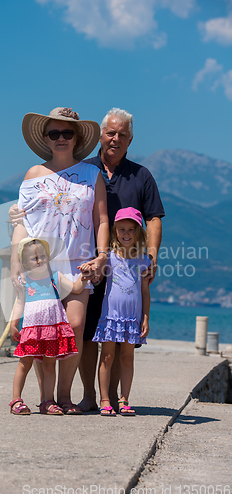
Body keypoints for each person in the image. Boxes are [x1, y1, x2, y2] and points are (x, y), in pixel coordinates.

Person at [10, 107, 109, 415]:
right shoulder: (32, 175)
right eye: (55, 133)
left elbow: (102, 220)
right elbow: (21, 224)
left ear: (77, 138)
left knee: (76, 325)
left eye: (67, 133)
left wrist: (102, 256)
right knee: (43, 331)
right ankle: (46, 398)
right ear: (46, 138)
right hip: (39, 266)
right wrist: (16, 265)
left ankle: (65, 396)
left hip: (79, 263)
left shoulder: (93, 175)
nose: (61, 138)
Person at [78, 108, 165, 412]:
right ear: (100, 134)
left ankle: (113, 398)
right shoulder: (84, 169)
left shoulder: (141, 176)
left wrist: (151, 256)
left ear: (130, 140)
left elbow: (154, 218)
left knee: (117, 339)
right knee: (88, 334)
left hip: (127, 272)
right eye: (110, 132)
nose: (115, 138)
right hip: (89, 265)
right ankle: (91, 396)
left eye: (122, 134)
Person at [81, 207, 150, 416]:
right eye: (122, 230)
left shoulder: (144, 260)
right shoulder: (109, 257)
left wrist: (146, 318)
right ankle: (104, 399)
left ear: (138, 232)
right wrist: (90, 270)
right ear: (115, 232)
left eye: (131, 230)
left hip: (132, 319)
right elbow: (98, 276)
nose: (126, 234)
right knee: (108, 356)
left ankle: (124, 399)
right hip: (111, 317)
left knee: (127, 358)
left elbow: (145, 292)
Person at [9, 238, 87, 415]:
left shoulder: (55, 278)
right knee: (24, 362)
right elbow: (19, 303)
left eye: (42, 256)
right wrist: (14, 324)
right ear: (25, 263)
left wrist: (84, 276)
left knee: (50, 365)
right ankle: (16, 400)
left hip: (52, 332)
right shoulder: (24, 281)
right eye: (34, 258)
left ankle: (47, 401)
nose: (39, 260)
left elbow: (76, 288)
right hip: (31, 331)